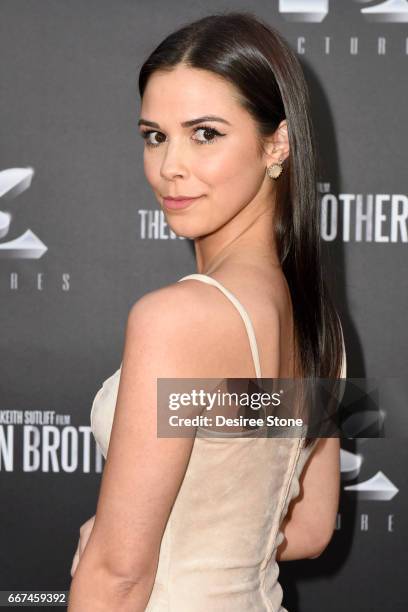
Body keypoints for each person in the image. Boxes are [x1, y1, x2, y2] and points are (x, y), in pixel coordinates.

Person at [68, 10, 346, 612]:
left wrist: (125, 554)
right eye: (154, 135)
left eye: (206, 133)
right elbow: (316, 525)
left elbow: (118, 577)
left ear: (277, 145)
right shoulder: (320, 322)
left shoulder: (175, 320)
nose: (170, 166)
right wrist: (205, 550)